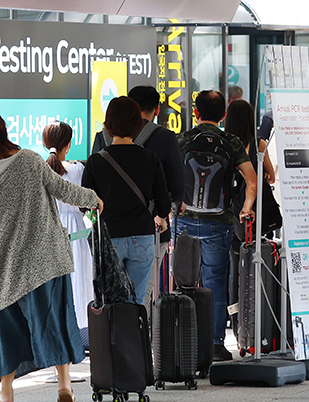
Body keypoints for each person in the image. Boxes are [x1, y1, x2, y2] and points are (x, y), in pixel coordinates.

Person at [0, 110, 102, 402]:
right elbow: (63, 189)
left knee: (5, 328)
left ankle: (6, 393)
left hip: (6, 267)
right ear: (4, 131)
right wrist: (93, 199)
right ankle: (64, 386)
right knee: (55, 320)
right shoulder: (29, 159)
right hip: (48, 260)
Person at [176, 90, 257, 362]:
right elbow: (252, 181)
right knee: (214, 285)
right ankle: (215, 345)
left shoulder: (183, 139)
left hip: (185, 222)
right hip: (219, 224)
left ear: (196, 114)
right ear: (223, 115)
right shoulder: (231, 142)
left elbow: (166, 177)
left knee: (184, 284)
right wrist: (245, 208)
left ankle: (185, 345)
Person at [82, 96, 170, 303]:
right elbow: (163, 203)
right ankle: (132, 335)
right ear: (138, 126)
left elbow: (85, 205)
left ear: (108, 126)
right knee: (136, 303)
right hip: (143, 239)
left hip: (108, 239)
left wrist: (95, 225)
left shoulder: (96, 161)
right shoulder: (150, 159)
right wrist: (161, 218)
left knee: (108, 302)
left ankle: (111, 336)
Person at [127, 85, 185, 307]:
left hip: (112, 229)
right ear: (157, 109)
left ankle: (113, 341)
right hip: (151, 227)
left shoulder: (104, 137)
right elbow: (178, 188)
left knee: (114, 294)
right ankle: (140, 340)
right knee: (143, 293)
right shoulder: (165, 138)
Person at [43, 121, 94, 343]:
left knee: (55, 290)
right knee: (79, 283)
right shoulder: (77, 170)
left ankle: (57, 341)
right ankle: (79, 338)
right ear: (69, 144)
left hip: (50, 231)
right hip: (75, 230)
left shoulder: (40, 171)